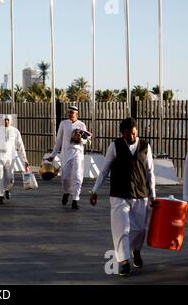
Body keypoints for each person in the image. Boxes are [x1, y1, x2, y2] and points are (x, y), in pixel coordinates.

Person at [90, 118, 156, 277]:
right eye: (128, 134)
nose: (131, 137)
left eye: (134, 133)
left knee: (140, 229)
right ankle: (124, 262)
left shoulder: (145, 146)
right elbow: (105, 169)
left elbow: (150, 172)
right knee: (122, 229)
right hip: (119, 194)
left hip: (140, 194)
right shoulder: (115, 146)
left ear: (137, 131)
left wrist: (153, 194)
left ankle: (136, 251)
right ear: (122, 133)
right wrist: (94, 190)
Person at [48, 105, 89, 210]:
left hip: (78, 154)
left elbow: (86, 140)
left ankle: (76, 199)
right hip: (66, 154)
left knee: (77, 176)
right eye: (69, 112)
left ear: (77, 114)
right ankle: (66, 192)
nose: (70, 114)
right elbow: (58, 140)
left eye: (72, 112)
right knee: (66, 177)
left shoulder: (81, 125)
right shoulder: (63, 123)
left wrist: (80, 139)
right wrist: (53, 155)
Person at [0, 115, 29, 204]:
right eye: (5, 120)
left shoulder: (15, 131)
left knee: (10, 177)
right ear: (2, 121)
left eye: (8, 120)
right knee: (0, 177)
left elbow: (21, 146)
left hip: (10, 157)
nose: (6, 121)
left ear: (10, 121)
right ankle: (1, 196)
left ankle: (7, 189)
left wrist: (25, 160)